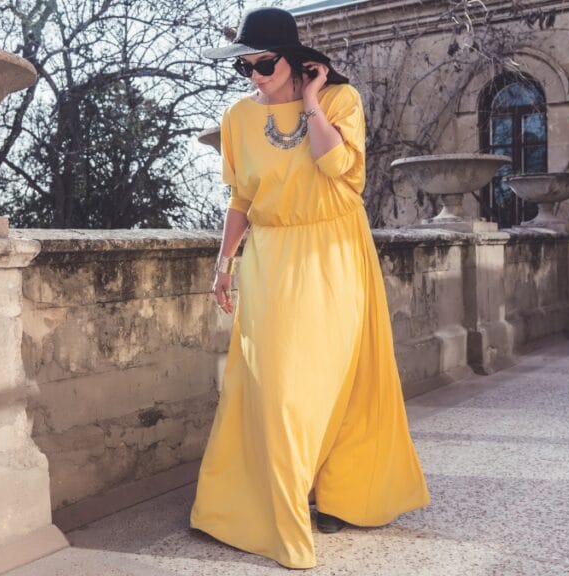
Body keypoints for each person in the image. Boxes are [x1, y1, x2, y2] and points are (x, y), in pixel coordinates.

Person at [190, 7, 430, 569]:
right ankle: (265, 506)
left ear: (294, 60)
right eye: (244, 66)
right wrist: (223, 263)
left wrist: (315, 102)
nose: (253, 75)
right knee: (275, 384)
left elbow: (339, 168)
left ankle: (340, 492)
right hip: (271, 257)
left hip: (335, 250)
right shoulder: (237, 119)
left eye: (265, 63)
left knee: (334, 378)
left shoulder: (342, 102)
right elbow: (241, 201)